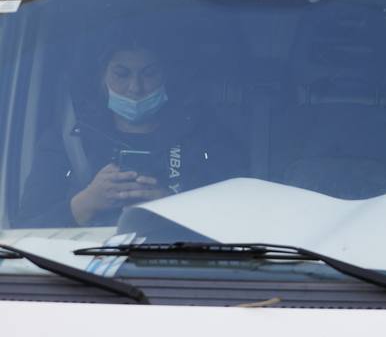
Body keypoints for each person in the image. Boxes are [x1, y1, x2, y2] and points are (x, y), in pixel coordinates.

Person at [19, 30, 243, 227]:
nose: (135, 88)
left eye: (149, 73)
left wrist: (171, 207)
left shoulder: (206, 138)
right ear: (101, 77)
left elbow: (236, 219)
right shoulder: (68, 142)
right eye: (121, 74)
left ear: (166, 76)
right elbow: (21, 230)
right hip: (77, 268)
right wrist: (84, 203)